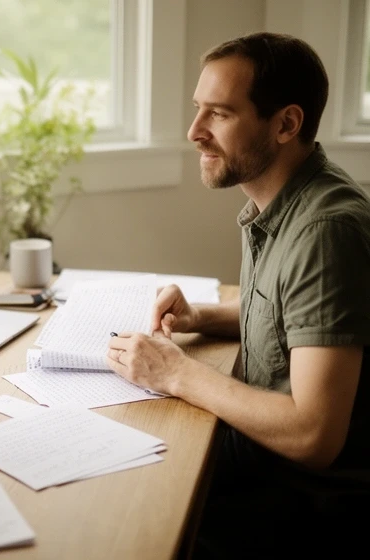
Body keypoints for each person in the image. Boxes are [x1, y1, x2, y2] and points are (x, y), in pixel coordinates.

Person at [106, 32, 370, 557]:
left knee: (123, 517)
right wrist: (200, 316)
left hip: (302, 501)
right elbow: (291, 324)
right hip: (261, 461)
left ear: (285, 124)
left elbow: (314, 436)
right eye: (198, 110)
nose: (194, 132)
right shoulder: (282, 201)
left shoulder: (324, 230)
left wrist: (177, 372)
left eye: (219, 114)